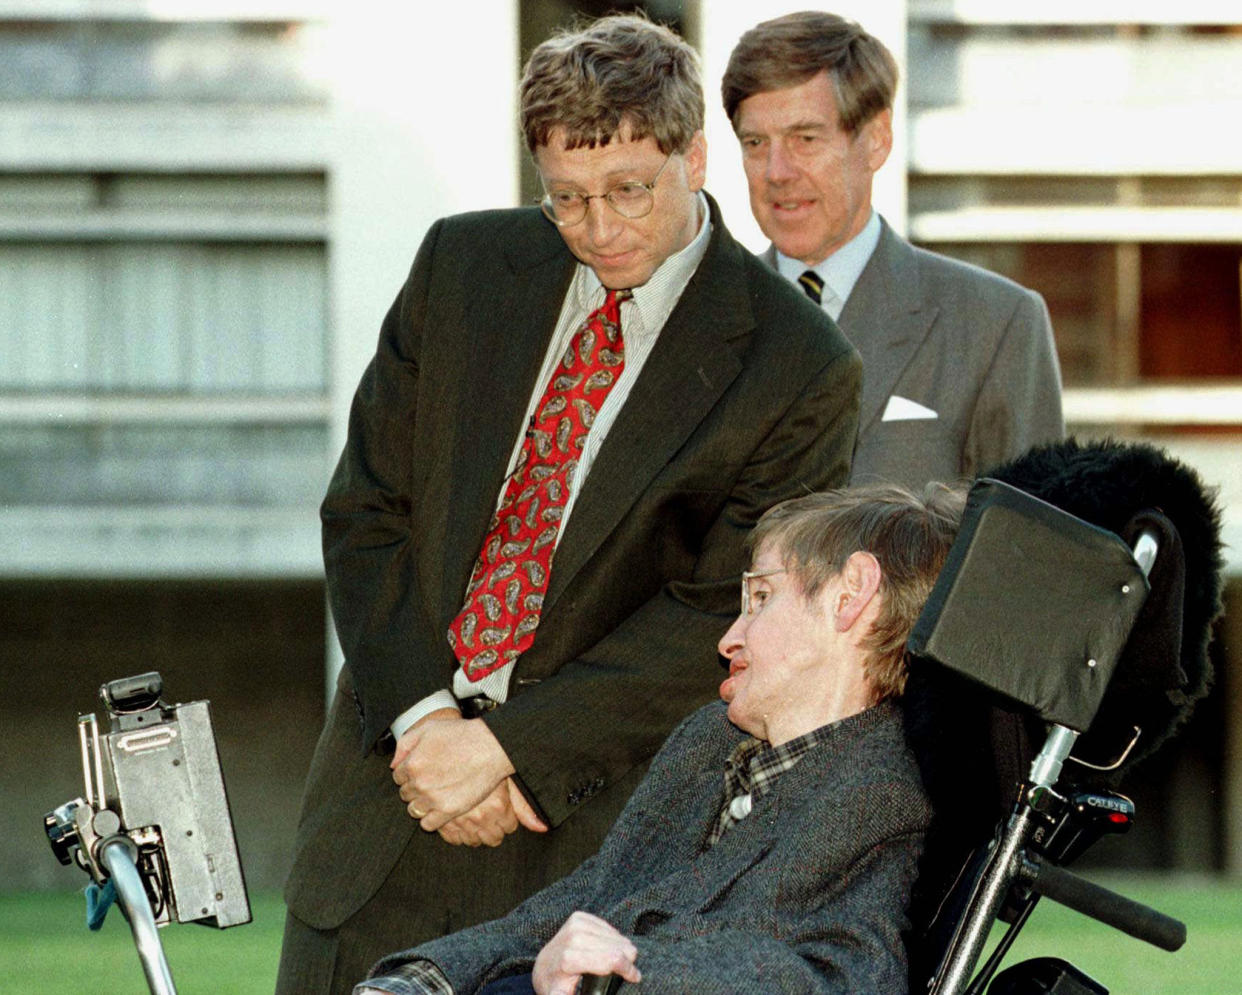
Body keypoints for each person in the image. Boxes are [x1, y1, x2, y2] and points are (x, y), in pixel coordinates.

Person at [276, 14, 862, 994]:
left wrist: (506, 750)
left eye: (630, 190)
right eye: (567, 200)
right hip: (383, 811)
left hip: (579, 861)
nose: (600, 228)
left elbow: (718, 612)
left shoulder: (799, 366)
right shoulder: (459, 268)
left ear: (695, 155)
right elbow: (367, 513)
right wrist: (427, 726)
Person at [355, 483, 965, 995]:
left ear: (850, 594)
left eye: (760, 598)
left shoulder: (882, 791)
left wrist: (625, 965)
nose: (729, 638)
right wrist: (426, 978)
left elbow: (843, 978)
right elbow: (594, 892)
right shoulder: (709, 742)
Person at [722, 11, 1064, 489]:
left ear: (877, 140)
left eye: (805, 139)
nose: (777, 171)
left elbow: (1026, 547)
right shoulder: (708, 320)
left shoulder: (997, 325)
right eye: (755, 143)